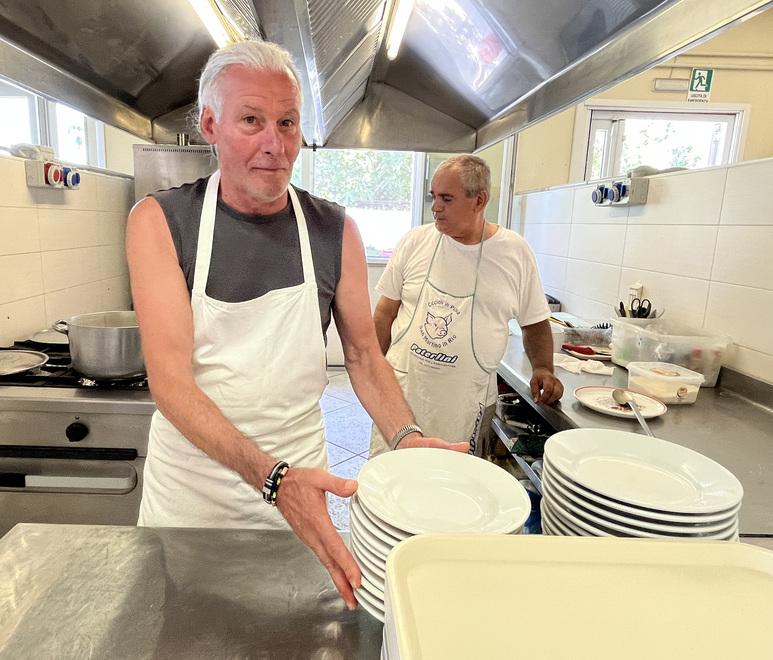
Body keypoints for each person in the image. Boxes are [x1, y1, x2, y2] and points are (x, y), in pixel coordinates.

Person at [126, 40, 466, 610]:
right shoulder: (160, 221)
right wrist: (272, 479)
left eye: (287, 123)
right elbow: (171, 386)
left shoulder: (335, 230)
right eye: (251, 121)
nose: (273, 144)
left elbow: (363, 355)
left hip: (301, 499)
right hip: (191, 503)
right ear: (210, 124)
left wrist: (405, 438)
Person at [370, 155, 564, 457]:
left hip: (466, 403)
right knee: (391, 485)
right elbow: (385, 312)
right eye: (434, 197)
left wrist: (543, 367)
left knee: (455, 490)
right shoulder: (415, 242)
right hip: (404, 395)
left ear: (479, 200)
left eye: (447, 199)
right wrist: (372, 371)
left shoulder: (513, 252)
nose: (435, 207)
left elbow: (535, 322)